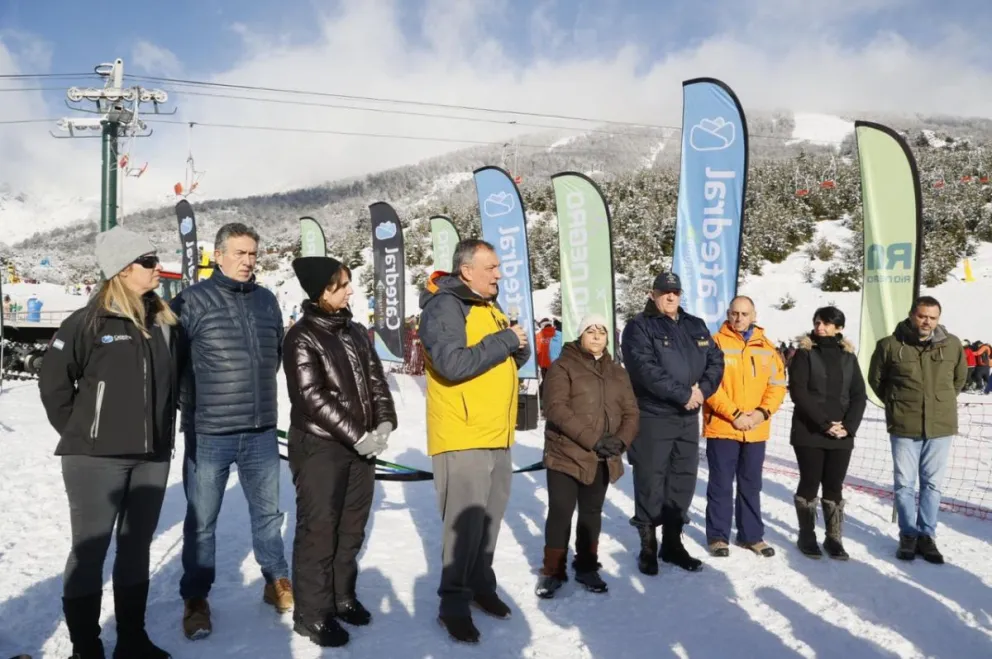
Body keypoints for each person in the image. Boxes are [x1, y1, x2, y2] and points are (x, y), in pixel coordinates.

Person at [39, 227, 177, 659]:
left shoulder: (165, 322)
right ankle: (86, 648)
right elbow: (53, 385)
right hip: (95, 460)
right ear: (123, 268)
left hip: (152, 457)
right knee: (90, 550)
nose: (158, 268)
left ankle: (132, 640)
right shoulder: (87, 322)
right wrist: (84, 434)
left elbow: (174, 385)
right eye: (149, 261)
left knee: (136, 550)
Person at [172, 223, 292, 640]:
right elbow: (174, 363)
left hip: (260, 429)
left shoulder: (267, 300)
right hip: (209, 432)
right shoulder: (191, 300)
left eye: (253, 254)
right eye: (239, 253)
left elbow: (273, 355)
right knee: (202, 521)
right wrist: (195, 406)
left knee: (268, 515)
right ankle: (195, 598)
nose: (247, 261)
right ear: (218, 255)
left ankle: (276, 579)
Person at [417, 239, 531, 644]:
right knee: (462, 527)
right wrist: (505, 343)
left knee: (488, 522)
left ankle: (481, 587)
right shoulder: (445, 306)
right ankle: (453, 604)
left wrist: (516, 345)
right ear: (466, 271)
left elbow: (508, 353)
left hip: (496, 432)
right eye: (491, 267)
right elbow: (452, 363)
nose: (499, 273)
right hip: (463, 433)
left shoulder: (489, 305)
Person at [282, 256, 397, 647]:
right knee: (319, 530)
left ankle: (341, 597)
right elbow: (311, 397)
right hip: (320, 447)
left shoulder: (354, 331)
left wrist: (383, 422)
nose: (350, 289)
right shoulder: (301, 337)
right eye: (341, 284)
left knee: (351, 527)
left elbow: (377, 381)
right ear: (321, 291)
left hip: (360, 447)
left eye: (348, 282)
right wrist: (357, 434)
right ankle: (312, 614)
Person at [621, 272, 724, 575]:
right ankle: (648, 546)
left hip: (687, 418)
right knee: (651, 480)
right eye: (664, 292)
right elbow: (644, 370)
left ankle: (672, 543)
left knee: (683, 479)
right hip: (655, 415)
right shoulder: (639, 327)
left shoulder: (695, 325)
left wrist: (702, 391)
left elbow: (716, 361)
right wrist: (682, 394)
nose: (670, 297)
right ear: (652, 294)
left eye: (675, 292)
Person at [537, 314, 639, 598]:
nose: (596, 336)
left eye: (601, 331)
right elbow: (555, 408)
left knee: (591, 513)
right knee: (561, 512)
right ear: (580, 335)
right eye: (590, 331)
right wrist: (594, 440)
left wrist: (619, 442)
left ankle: (586, 565)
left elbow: (631, 412)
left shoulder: (618, 372)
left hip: (603, 457)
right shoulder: (563, 366)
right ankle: (552, 570)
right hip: (566, 454)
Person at [868, 296, 967, 564]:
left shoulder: (953, 345)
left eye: (933, 317)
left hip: (940, 426)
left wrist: (940, 403)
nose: (927, 322)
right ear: (912, 315)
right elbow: (876, 380)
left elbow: (959, 380)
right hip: (905, 425)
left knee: (932, 484)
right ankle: (908, 534)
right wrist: (897, 403)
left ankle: (927, 535)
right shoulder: (890, 345)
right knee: (904, 483)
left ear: (938, 319)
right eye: (923, 316)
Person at [703, 296, 787, 558]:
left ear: (754, 315)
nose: (739, 318)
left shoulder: (768, 347)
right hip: (724, 426)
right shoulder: (715, 343)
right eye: (735, 313)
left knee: (751, 484)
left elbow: (777, 386)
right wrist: (735, 414)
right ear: (728, 314)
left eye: (744, 313)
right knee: (721, 484)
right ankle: (718, 536)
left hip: (755, 429)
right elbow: (709, 385)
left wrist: (761, 414)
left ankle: (751, 536)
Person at [788, 306, 867, 560]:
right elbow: (799, 393)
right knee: (810, 482)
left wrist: (848, 426)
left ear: (838, 327)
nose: (820, 327)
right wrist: (825, 424)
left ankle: (833, 537)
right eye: (817, 322)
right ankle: (807, 535)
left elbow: (858, 395)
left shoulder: (849, 357)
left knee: (834, 485)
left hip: (842, 434)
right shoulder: (804, 353)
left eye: (826, 323)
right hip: (809, 430)